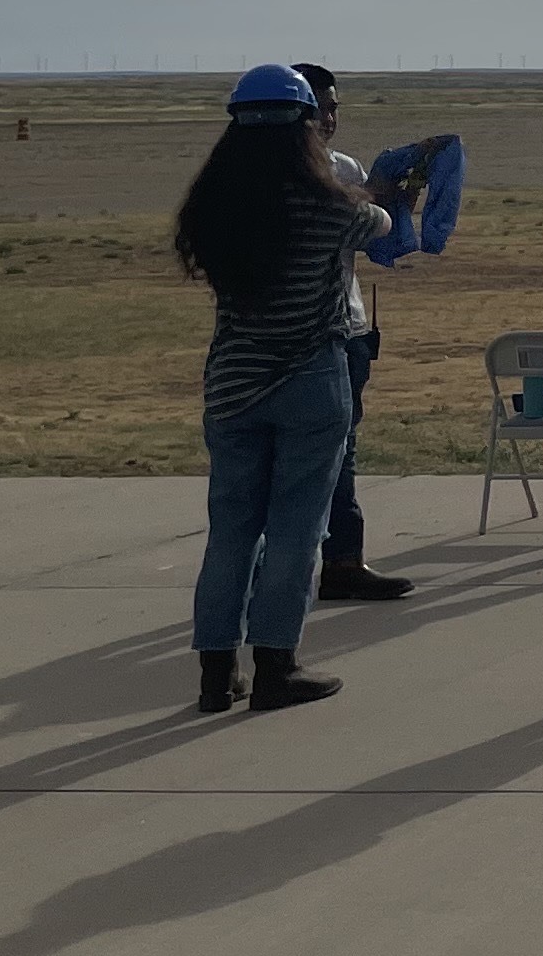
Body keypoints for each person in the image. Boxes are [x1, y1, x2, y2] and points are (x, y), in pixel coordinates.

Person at [172, 65, 420, 712]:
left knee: (229, 531)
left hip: (231, 386)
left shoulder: (211, 207)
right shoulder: (328, 207)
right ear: (307, 125)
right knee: (294, 531)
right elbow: (382, 225)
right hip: (310, 381)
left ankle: (215, 672)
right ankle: (276, 665)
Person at [291, 64, 410, 606]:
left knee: (345, 448)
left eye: (335, 107)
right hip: (299, 335)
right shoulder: (284, 176)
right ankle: (288, 565)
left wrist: (396, 202)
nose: (329, 118)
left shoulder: (345, 168)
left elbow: (376, 240)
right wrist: (370, 201)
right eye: (318, 107)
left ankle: (343, 558)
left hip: (349, 324)